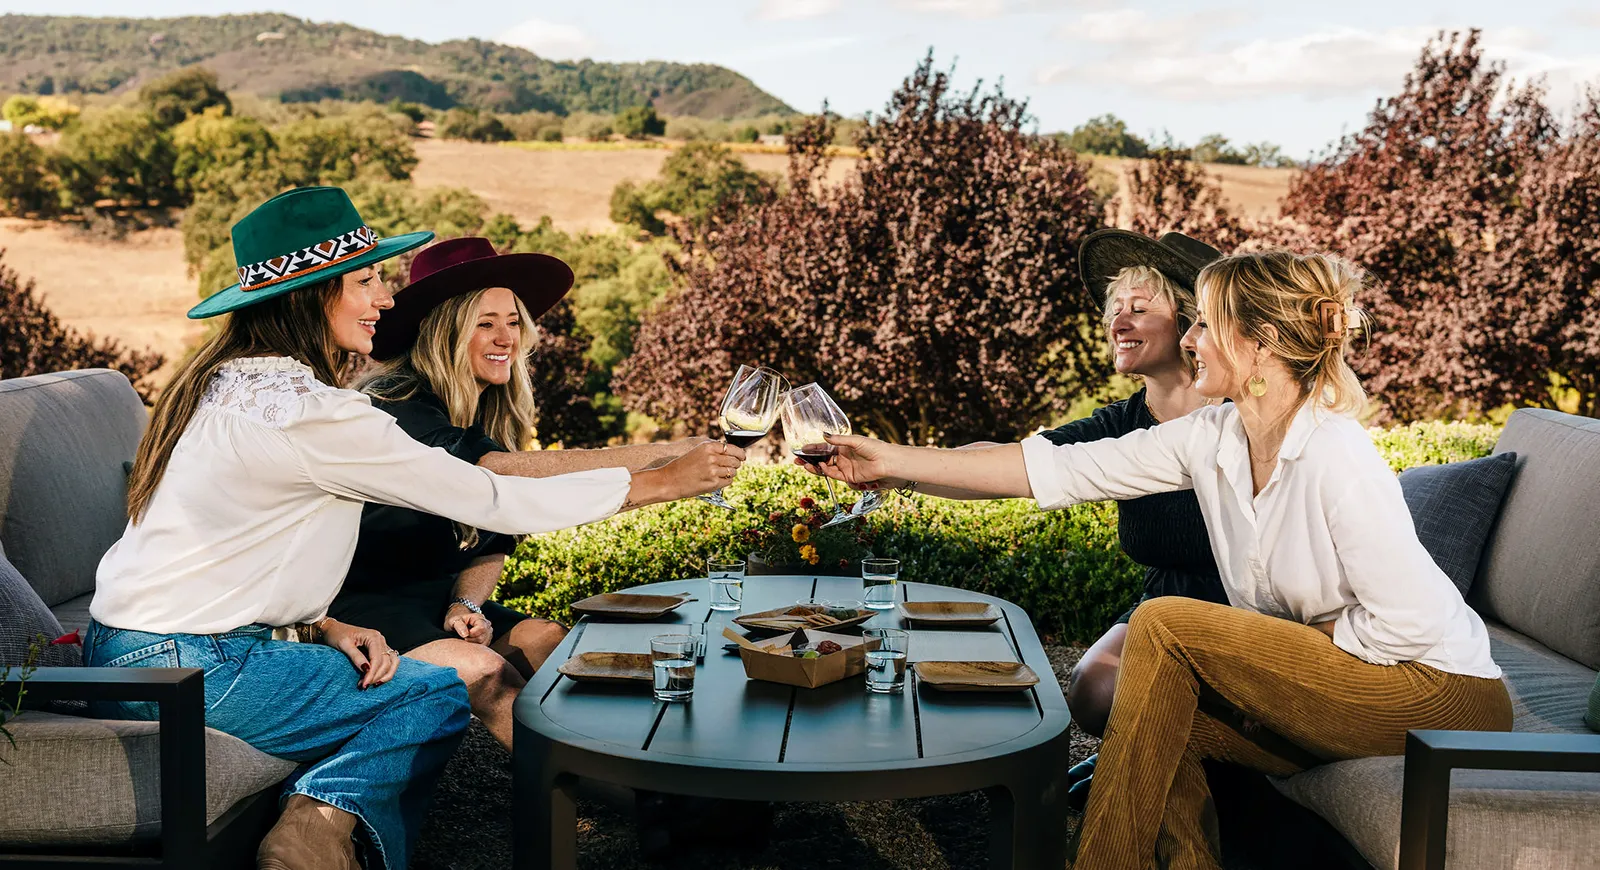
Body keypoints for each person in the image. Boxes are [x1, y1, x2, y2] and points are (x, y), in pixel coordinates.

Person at [83, 187, 742, 870]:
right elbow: (490, 497)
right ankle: (317, 830)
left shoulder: (220, 384)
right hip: (195, 670)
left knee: (427, 678)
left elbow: (240, 550)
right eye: (366, 280)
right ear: (312, 296)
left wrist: (324, 623)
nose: (385, 298)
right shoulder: (313, 413)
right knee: (431, 692)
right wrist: (658, 481)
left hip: (128, 652)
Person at [806, 250, 1511, 868]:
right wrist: (887, 461)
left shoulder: (1335, 451)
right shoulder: (1213, 435)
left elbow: (1412, 625)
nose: (1192, 338)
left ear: (1259, 345)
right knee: (1161, 724)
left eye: (1203, 322)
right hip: (1348, 684)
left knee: (1165, 623)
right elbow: (1050, 470)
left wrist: (1284, 662)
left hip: (1435, 695)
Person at [862, 230, 1229, 807]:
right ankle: (1142, 756)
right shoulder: (1122, 423)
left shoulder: (1241, 418)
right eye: (1113, 311)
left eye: (1139, 308)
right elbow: (1008, 465)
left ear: (1189, 322)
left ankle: (1170, 772)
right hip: (1165, 602)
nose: (1118, 322)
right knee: (1094, 692)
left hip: (1249, 610)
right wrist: (889, 470)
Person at [330, 236, 707, 752]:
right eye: (484, 323)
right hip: (362, 605)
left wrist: (468, 603)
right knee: (487, 674)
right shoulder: (399, 405)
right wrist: (665, 456)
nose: (506, 336)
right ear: (444, 333)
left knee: (547, 640)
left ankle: (616, 760)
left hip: (432, 598)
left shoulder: (482, 410)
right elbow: (499, 474)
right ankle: (628, 794)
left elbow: (496, 533)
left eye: (513, 320)